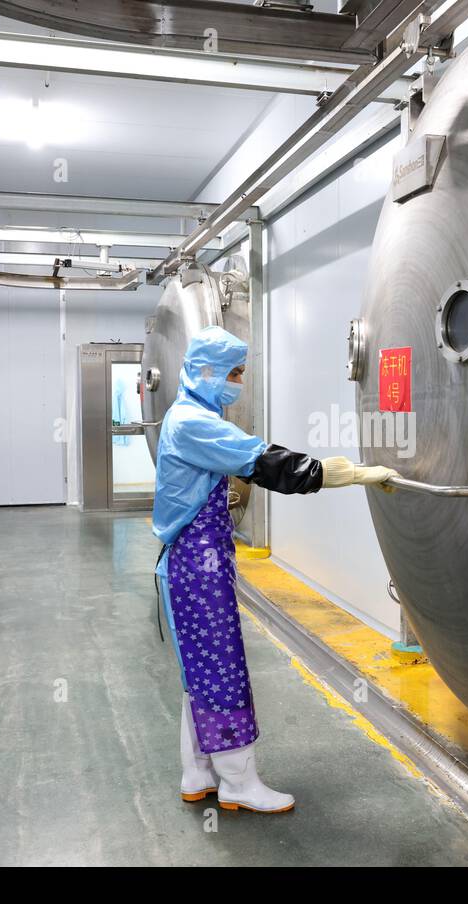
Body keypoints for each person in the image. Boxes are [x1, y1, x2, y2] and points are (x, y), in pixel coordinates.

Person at [153, 326, 399, 813]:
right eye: (234, 373)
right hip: (196, 567)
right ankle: (239, 783)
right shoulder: (193, 423)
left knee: (200, 673)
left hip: (191, 562)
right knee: (220, 670)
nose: (238, 382)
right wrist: (343, 473)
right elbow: (267, 464)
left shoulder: (191, 414)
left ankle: (198, 773)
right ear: (207, 372)